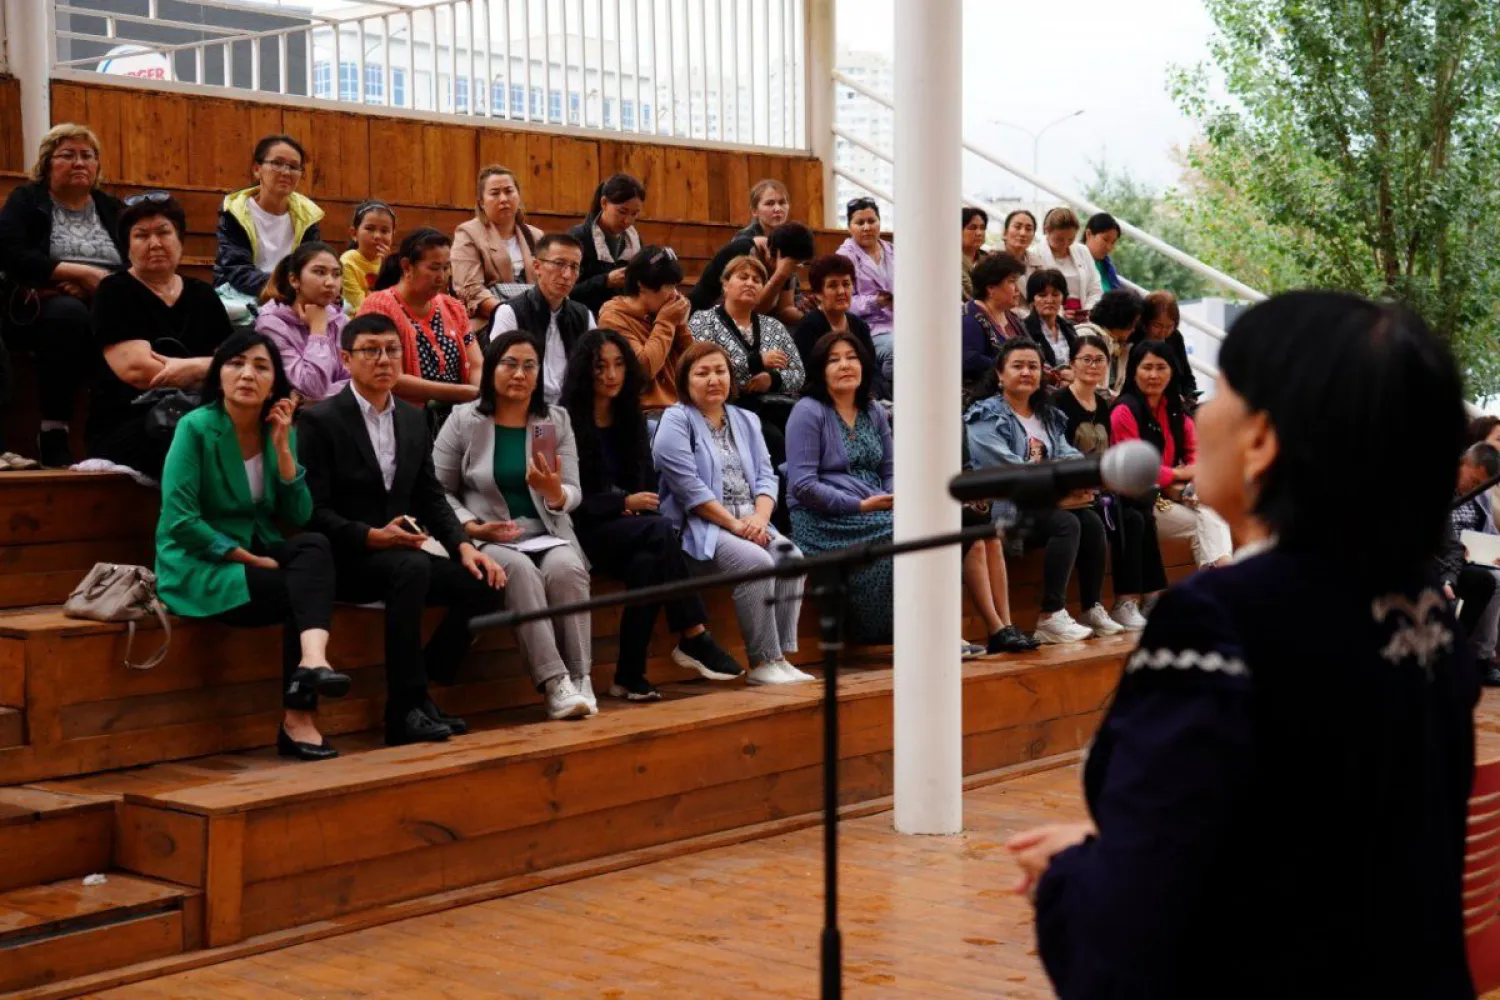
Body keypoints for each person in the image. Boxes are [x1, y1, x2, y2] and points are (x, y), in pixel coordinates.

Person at [1012, 290, 1479, 1000]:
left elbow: (1134, 929)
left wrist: (1075, 878)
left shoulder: (1220, 620)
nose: (1200, 412)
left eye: (1220, 388)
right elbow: (1303, 834)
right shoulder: (1424, 613)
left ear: (1262, 443)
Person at [297, 314, 506, 745]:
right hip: (346, 555)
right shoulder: (320, 421)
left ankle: (423, 687)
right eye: (370, 351)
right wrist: (370, 535)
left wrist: (465, 548)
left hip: (401, 553)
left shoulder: (412, 420)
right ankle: (403, 710)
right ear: (346, 359)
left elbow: (430, 495)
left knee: (485, 580)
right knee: (411, 568)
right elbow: (309, 512)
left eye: (392, 350)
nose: (383, 360)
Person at [155, 331, 343, 760]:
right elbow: (180, 521)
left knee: (313, 546)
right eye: (236, 363)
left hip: (256, 551)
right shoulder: (195, 428)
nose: (247, 374)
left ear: (275, 382)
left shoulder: (279, 430)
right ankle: (299, 717)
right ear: (219, 373)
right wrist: (241, 555)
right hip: (200, 562)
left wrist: (282, 449)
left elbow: (298, 516)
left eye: (261, 366)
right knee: (299, 589)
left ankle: (313, 659)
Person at [560, 329, 745, 700]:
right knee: (661, 532)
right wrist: (623, 505)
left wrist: (633, 508)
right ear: (585, 370)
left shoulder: (633, 419)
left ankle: (629, 675)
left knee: (649, 562)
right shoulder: (564, 420)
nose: (611, 375)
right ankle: (694, 633)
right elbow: (567, 496)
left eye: (618, 365)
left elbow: (646, 485)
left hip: (634, 530)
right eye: (600, 366)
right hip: (582, 530)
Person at [432, 331, 597, 721]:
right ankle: (554, 684)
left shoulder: (554, 421)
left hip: (546, 531)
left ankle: (581, 677)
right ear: (491, 369)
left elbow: (572, 491)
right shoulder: (463, 421)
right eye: (509, 363)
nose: (519, 374)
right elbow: (437, 491)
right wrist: (471, 526)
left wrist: (555, 492)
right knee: (520, 572)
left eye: (529, 365)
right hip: (490, 534)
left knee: (567, 569)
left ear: (540, 374)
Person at [653, 342, 810, 685]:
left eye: (720, 371)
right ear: (685, 380)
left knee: (792, 558)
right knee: (757, 563)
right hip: (701, 526)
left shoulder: (747, 419)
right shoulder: (676, 420)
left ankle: (779, 657)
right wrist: (736, 524)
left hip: (751, 520)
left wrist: (759, 518)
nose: (713, 379)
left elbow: (769, 476)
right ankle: (763, 661)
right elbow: (689, 489)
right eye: (702, 372)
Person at [965, 339, 1120, 644]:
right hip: (1005, 509)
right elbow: (1006, 469)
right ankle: (1050, 615)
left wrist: (1073, 481)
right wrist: (1058, 486)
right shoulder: (984, 416)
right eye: (1018, 366)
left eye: (1033, 366)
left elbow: (1069, 454)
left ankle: (1091, 607)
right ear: (999, 373)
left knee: (1091, 522)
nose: (1027, 372)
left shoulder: (1047, 415)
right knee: (1067, 523)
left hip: (1043, 503)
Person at [0, 124, 126, 466]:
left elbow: (134, 260)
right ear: (47, 163)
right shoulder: (27, 200)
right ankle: (53, 429)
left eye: (87, 155)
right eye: (67, 155)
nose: (79, 162)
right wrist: (73, 273)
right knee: (69, 315)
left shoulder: (110, 207)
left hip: (106, 297)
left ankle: (123, 433)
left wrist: (99, 282)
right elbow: (12, 252)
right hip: (39, 303)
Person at [88, 195, 232, 479]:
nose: (155, 243)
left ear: (180, 239)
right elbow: (141, 372)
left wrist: (191, 368)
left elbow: (235, 363)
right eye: (141, 235)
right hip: (131, 421)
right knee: (196, 439)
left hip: (199, 413)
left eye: (164, 232)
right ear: (127, 246)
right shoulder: (115, 291)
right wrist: (211, 368)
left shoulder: (202, 294)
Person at [785, 332, 894, 643]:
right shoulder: (808, 411)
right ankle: (879, 630)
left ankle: (930, 627)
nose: (845, 365)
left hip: (876, 507)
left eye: (852, 357)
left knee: (929, 527)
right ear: (821, 370)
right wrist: (859, 506)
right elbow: (803, 485)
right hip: (822, 520)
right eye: (834, 360)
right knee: (904, 531)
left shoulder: (874, 411)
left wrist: (893, 496)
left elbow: (890, 468)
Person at [1050, 333, 1159, 631]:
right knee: (1120, 517)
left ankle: (1127, 601)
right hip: (1072, 490)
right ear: (1072, 364)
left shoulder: (1104, 403)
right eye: (1086, 359)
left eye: (1100, 360)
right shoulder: (1058, 402)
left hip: (1101, 487)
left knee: (1139, 513)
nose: (1093, 366)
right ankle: (1092, 605)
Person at [1111, 339, 1234, 569]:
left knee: (1210, 513)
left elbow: (1198, 455)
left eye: (1161, 368)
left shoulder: (1175, 410)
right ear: (1134, 371)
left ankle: (1221, 584)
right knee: (1207, 523)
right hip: (1138, 502)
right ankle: (1226, 581)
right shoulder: (1124, 411)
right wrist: (1178, 474)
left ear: (1172, 372)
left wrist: (1193, 477)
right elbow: (1135, 469)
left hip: (1173, 497)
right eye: (1147, 367)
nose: (1154, 375)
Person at [687, 254, 805, 463]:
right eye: (743, 277)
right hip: (724, 408)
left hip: (774, 406)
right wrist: (756, 362)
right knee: (774, 440)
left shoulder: (774, 326)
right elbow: (701, 368)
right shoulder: (703, 321)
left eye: (757, 280)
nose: (750, 283)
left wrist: (772, 380)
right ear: (725, 285)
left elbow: (798, 373)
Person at [359, 228, 482, 406]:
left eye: (446, 267)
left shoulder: (454, 307)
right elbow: (389, 376)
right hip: (401, 417)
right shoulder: (378, 307)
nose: (442, 276)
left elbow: (476, 364)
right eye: (434, 268)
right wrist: (459, 393)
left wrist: (480, 393)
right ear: (407, 267)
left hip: (458, 414)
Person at [213, 134, 324, 298]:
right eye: (277, 163)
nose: (286, 172)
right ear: (257, 169)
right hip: (243, 294)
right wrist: (285, 288)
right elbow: (237, 270)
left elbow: (311, 265)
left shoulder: (307, 216)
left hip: (292, 293)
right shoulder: (235, 212)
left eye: (294, 167)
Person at [489, 233, 595, 405]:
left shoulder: (584, 316)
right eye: (559, 263)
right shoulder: (510, 313)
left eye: (574, 267)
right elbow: (500, 375)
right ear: (537, 266)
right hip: (525, 408)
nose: (567, 275)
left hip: (571, 412)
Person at [597, 246, 694, 415]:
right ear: (642, 286)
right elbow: (643, 369)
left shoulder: (664, 312)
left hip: (679, 409)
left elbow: (693, 361)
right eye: (669, 287)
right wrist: (666, 322)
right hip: (644, 414)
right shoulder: (613, 319)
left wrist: (680, 324)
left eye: (676, 287)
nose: (675, 295)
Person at [451, 165, 544, 333]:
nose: (503, 199)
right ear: (481, 202)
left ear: (518, 196)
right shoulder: (467, 233)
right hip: (490, 321)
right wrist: (510, 315)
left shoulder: (536, 236)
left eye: (509, 191)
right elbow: (471, 290)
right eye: (495, 193)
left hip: (537, 317)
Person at [255, 241, 350, 402]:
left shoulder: (341, 320)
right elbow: (312, 387)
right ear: (294, 280)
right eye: (319, 272)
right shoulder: (271, 326)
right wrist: (318, 331)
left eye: (336, 274)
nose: (330, 282)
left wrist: (319, 397)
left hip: (342, 414)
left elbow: (362, 382)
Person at [792, 254, 886, 399]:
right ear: (818, 293)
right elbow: (809, 378)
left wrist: (872, 394)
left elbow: (873, 371)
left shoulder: (859, 325)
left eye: (846, 284)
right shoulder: (808, 327)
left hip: (863, 400)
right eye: (833, 285)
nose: (841, 291)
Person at [688, 221, 817, 326]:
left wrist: (818, 313)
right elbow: (751, 309)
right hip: (709, 320)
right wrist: (780, 275)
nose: (796, 269)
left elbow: (784, 310)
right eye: (796, 264)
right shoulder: (742, 252)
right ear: (775, 254)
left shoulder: (787, 262)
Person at [1446, 442, 1500, 686]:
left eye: (1481, 486)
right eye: (1475, 481)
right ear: (1464, 464)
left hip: (1470, 558)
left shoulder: (1480, 497)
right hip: (1444, 559)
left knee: (1495, 578)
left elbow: (1488, 533)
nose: (1474, 489)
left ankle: (1478, 657)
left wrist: (1493, 552)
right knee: (1485, 580)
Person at [835, 198, 895, 386]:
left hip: (901, 324)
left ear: (879, 222)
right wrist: (876, 302)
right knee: (900, 350)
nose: (867, 227)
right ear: (849, 228)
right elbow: (842, 302)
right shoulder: (844, 257)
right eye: (860, 223)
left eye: (871, 221)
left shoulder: (895, 251)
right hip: (868, 330)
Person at [569, 174, 646, 316]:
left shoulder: (634, 240)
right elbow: (568, 291)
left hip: (624, 318)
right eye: (622, 212)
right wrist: (606, 281)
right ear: (604, 203)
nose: (627, 221)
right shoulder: (578, 237)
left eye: (634, 214)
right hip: (586, 318)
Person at [961, 252, 1028, 406]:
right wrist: (1010, 368)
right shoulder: (969, 319)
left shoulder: (1013, 318)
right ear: (991, 288)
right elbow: (969, 360)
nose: (1018, 289)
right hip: (984, 402)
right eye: (1012, 282)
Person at [1026, 207, 1102, 321]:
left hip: (1085, 317)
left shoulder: (1083, 251)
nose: (1065, 243)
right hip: (1051, 318)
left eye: (1071, 239)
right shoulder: (1034, 255)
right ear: (1047, 230)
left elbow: (1095, 287)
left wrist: (1088, 311)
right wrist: (1059, 314)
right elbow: (1034, 296)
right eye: (1059, 239)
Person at [1132, 289, 1199, 404]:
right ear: (1145, 322)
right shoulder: (1134, 340)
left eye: (1169, 326)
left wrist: (1189, 395)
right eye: (1157, 325)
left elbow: (1187, 377)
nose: (1163, 332)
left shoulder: (1175, 337)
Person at [1076, 288, 1144, 395]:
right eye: (1133, 323)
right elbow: (1081, 380)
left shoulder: (1122, 346)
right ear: (1123, 319)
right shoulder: (1086, 336)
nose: (1134, 329)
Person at [340, 200, 395, 315]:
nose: (377, 236)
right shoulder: (347, 262)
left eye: (384, 231)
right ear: (354, 234)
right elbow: (359, 305)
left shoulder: (391, 263)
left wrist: (389, 268)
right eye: (370, 229)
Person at [1023, 269, 1079, 372]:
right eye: (1042, 295)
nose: (1049, 300)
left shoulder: (1069, 328)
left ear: (1063, 297)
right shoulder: (1024, 330)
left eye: (1055, 294)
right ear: (1032, 299)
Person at [1082, 212, 1123, 292]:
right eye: (1105, 239)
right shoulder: (1076, 261)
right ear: (1089, 234)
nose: (1109, 247)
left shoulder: (1107, 266)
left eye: (1113, 242)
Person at [961, 206, 990, 301]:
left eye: (982, 228)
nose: (979, 233)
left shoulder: (989, 259)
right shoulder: (949, 260)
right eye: (972, 228)